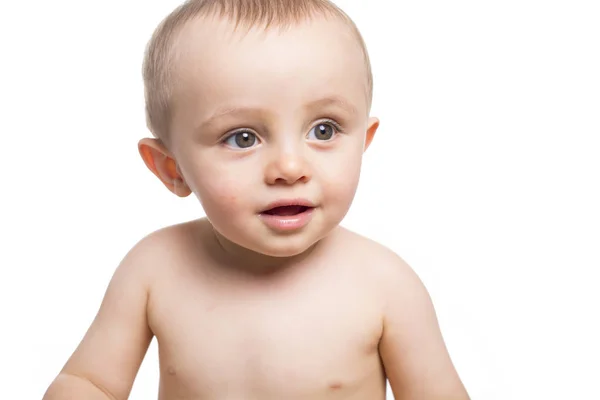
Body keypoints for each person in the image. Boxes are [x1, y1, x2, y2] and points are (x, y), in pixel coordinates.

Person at [43, 0, 470, 398]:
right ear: (172, 169)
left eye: (324, 130)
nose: (289, 166)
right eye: (242, 138)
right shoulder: (154, 270)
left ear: (363, 142)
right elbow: (89, 381)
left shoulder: (385, 284)